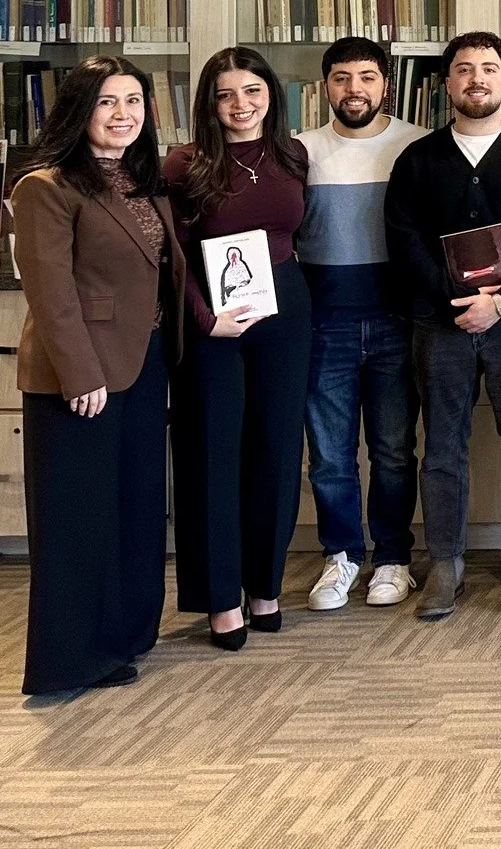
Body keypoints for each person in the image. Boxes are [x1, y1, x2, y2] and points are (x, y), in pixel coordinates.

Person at [10, 59, 183, 694]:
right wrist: (81, 374)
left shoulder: (142, 181)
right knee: (77, 519)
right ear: (79, 110)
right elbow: (50, 292)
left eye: (134, 101)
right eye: (107, 102)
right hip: (80, 376)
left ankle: (125, 636)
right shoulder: (45, 186)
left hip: (143, 365)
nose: (123, 114)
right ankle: (70, 659)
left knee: (135, 509)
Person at [386, 32, 501, 620]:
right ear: (447, 83)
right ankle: (445, 563)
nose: (477, 79)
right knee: (441, 446)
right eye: (464, 69)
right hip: (440, 323)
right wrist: (457, 298)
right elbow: (404, 240)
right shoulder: (418, 159)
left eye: (489, 68)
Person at [165, 46, 313, 650]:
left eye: (251, 91)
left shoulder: (291, 154)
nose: (240, 105)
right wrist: (205, 319)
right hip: (213, 318)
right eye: (225, 95)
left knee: (277, 449)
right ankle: (221, 597)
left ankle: (264, 586)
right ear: (209, 103)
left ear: (270, 93)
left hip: (285, 306)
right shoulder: (184, 164)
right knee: (213, 452)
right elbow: (171, 254)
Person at [297, 37, 428, 612]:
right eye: (343, 78)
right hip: (323, 325)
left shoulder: (417, 146)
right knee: (329, 455)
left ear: (386, 84)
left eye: (367, 77)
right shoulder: (299, 152)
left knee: (395, 451)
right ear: (325, 85)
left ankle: (394, 558)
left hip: (398, 323)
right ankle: (341, 555)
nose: (355, 89)